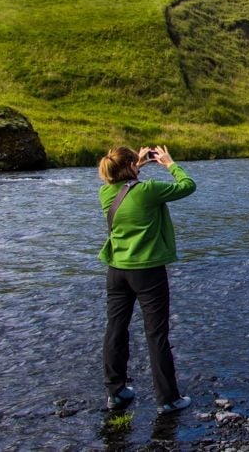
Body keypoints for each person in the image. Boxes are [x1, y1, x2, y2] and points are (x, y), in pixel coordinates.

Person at [98, 145, 196, 415]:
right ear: (130, 166)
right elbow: (188, 186)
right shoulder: (148, 190)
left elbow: (122, 182)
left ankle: (115, 393)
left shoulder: (106, 192)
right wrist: (169, 163)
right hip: (148, 272)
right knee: (156, 335)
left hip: (116, 271)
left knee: (116, 330)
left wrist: (136, 164)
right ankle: (167, 399)